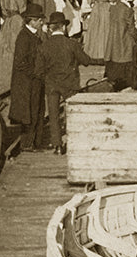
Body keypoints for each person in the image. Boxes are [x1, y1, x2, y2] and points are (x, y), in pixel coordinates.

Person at [35, 11, 96, 152]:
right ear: (63, 27)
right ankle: (73, 141)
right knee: (72, 113)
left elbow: (38, 70)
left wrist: (48, 78)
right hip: (70, 84)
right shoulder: (72, 44)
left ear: (51, 28)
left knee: (53, 115)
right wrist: (101, 61)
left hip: (51, 84)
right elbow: (86, 61)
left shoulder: (44, 46)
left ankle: (57, 145)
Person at [8, 4, 46, 151]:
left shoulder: (33, 35)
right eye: (39, 20)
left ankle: (35, 143)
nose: (42, 22)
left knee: (36, 111)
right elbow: (20, 63)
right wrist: (36, 73)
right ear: (32, 21)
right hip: (27, 83)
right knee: (30, 113)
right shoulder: (24, 37)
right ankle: (28, 144)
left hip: (33, 81)